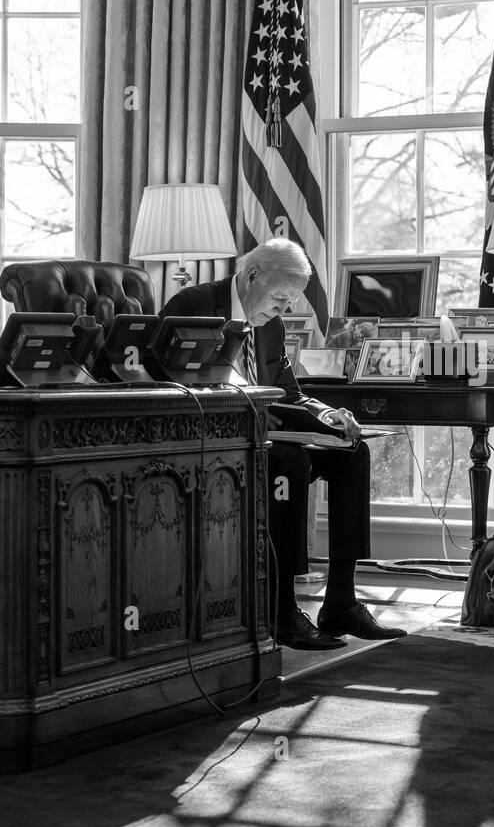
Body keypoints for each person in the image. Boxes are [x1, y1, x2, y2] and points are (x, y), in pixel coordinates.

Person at [160, 238, 407, 650]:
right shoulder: (193, 305)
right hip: (211, 439)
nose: (284, 309)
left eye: (290, 301)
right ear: (252, 275)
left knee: (352, 452)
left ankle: (341, 602)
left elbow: (289, 391)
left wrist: (328, 415)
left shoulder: (270, 323)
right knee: (290, 460)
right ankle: (283, 609)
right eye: (280, 297)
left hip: (265, 435)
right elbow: (172, 383)